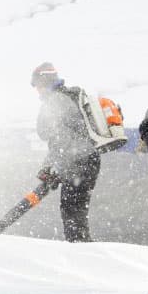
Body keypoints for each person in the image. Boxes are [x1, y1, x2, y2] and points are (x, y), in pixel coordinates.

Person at [30, 63, 101, 243]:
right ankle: (83, 247)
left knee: (71, 210)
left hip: (77, 160)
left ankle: (80, 251)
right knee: (77, 211)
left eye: (37, 85)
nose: (36, 90)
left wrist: (53, 167)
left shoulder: (56, 101)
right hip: (88, 158)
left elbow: (62, 141)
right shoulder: (67, 97)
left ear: (44, 81)